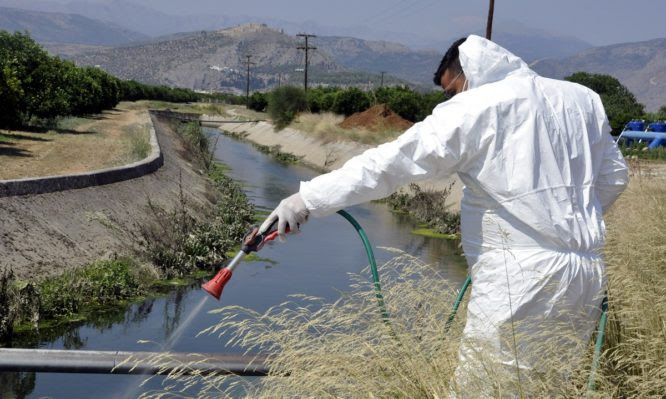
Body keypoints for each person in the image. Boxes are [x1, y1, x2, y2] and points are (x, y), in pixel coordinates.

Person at [260, 35, 628, 396]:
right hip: (585, 274)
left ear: (467, 72)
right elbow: (614, 177)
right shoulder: (582, 100)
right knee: (552, 385)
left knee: (485, 386)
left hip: (519, 279)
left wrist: (306, 199)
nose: (451, 99)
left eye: (450, 90)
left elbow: (391, 164)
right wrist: (564, 228)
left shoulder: (479, 106)